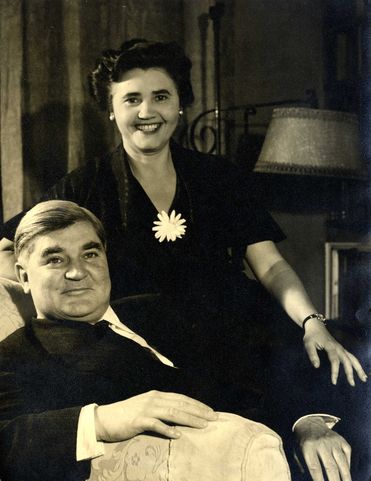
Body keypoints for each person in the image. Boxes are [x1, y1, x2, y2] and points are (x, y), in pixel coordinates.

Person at [0, 40, 367, 388]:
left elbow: (270, 266)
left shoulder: (219, 175)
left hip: (238, 328)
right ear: (111, 109)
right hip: (146, 344)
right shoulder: (83, 186)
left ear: (180, 104)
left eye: (160, 97)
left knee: (334, 382)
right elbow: (9, 249)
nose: (147, 112)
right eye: (132, 99)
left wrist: (311, 321)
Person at [0, 200, 355, 481]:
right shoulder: (18, 356)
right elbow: (9, 444)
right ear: (24, 275)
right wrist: (101, 420)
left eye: (90, 253)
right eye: (55, 259)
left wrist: (307, 421)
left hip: (290, 445)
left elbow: (259, 360)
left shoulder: (157, 309)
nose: (78, 272)